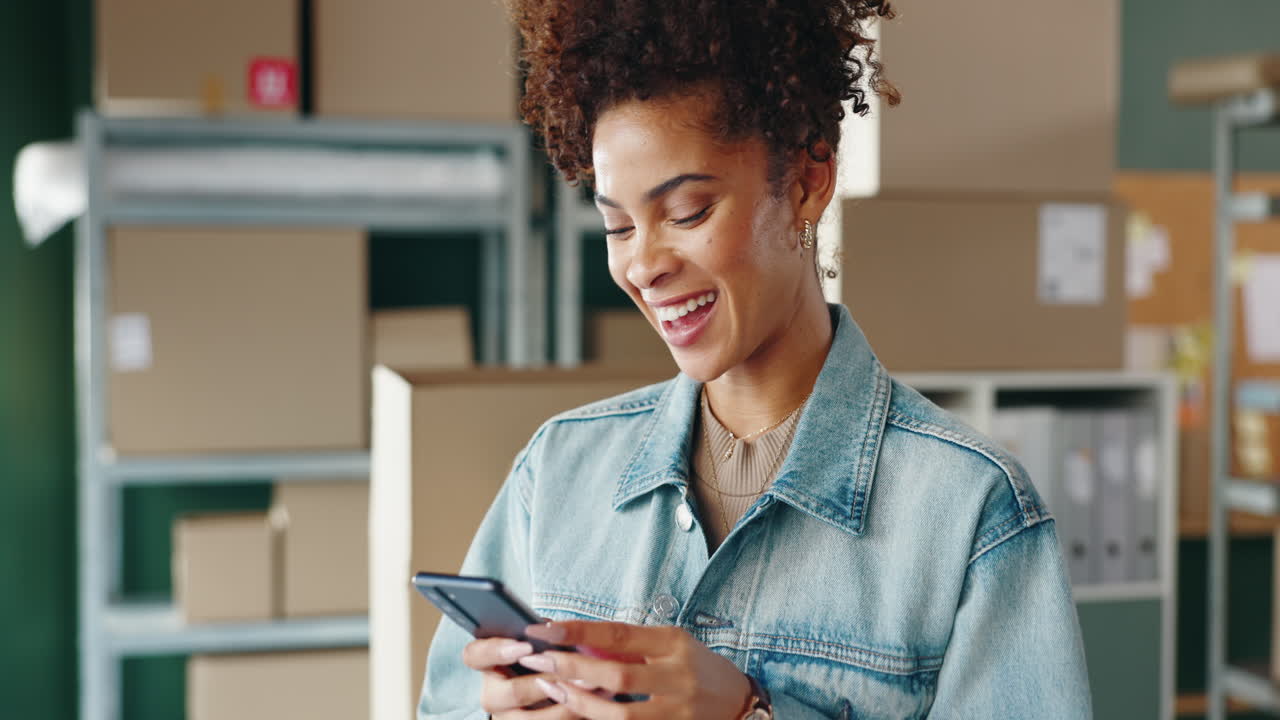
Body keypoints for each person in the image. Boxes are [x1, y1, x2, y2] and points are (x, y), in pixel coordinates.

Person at [420, 0, 1092, 717]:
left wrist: (750, 713)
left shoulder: (970, 514)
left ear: (808, 180)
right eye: (617, 225)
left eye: (687, 214)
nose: (643, 265)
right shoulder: (555, 475)